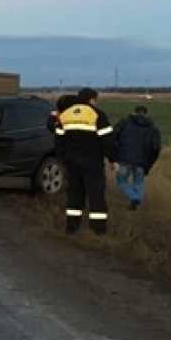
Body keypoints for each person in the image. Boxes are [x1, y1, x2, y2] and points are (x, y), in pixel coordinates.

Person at [53, 88, 116, 235]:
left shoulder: (66, 115)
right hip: (93, 162)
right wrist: (113, 159)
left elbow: (58, 140)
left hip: (72, 163)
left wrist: (63, 159)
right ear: (91, 99)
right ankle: (98, 230)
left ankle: (72, 228)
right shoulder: (97, 114)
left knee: (74, 194)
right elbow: (107, 140)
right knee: (96, 195)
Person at [113, 105, 162, 210]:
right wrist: (149, 163)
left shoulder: (124, 123)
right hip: (142, 161)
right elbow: (156, 148)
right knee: (139, 182)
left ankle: (134, 198)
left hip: (123, 158)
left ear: (133, 112)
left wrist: (114, 155)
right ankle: (137, 202)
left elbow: (113, 137)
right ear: (146, 114)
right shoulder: (153, 128)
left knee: (121, 181)